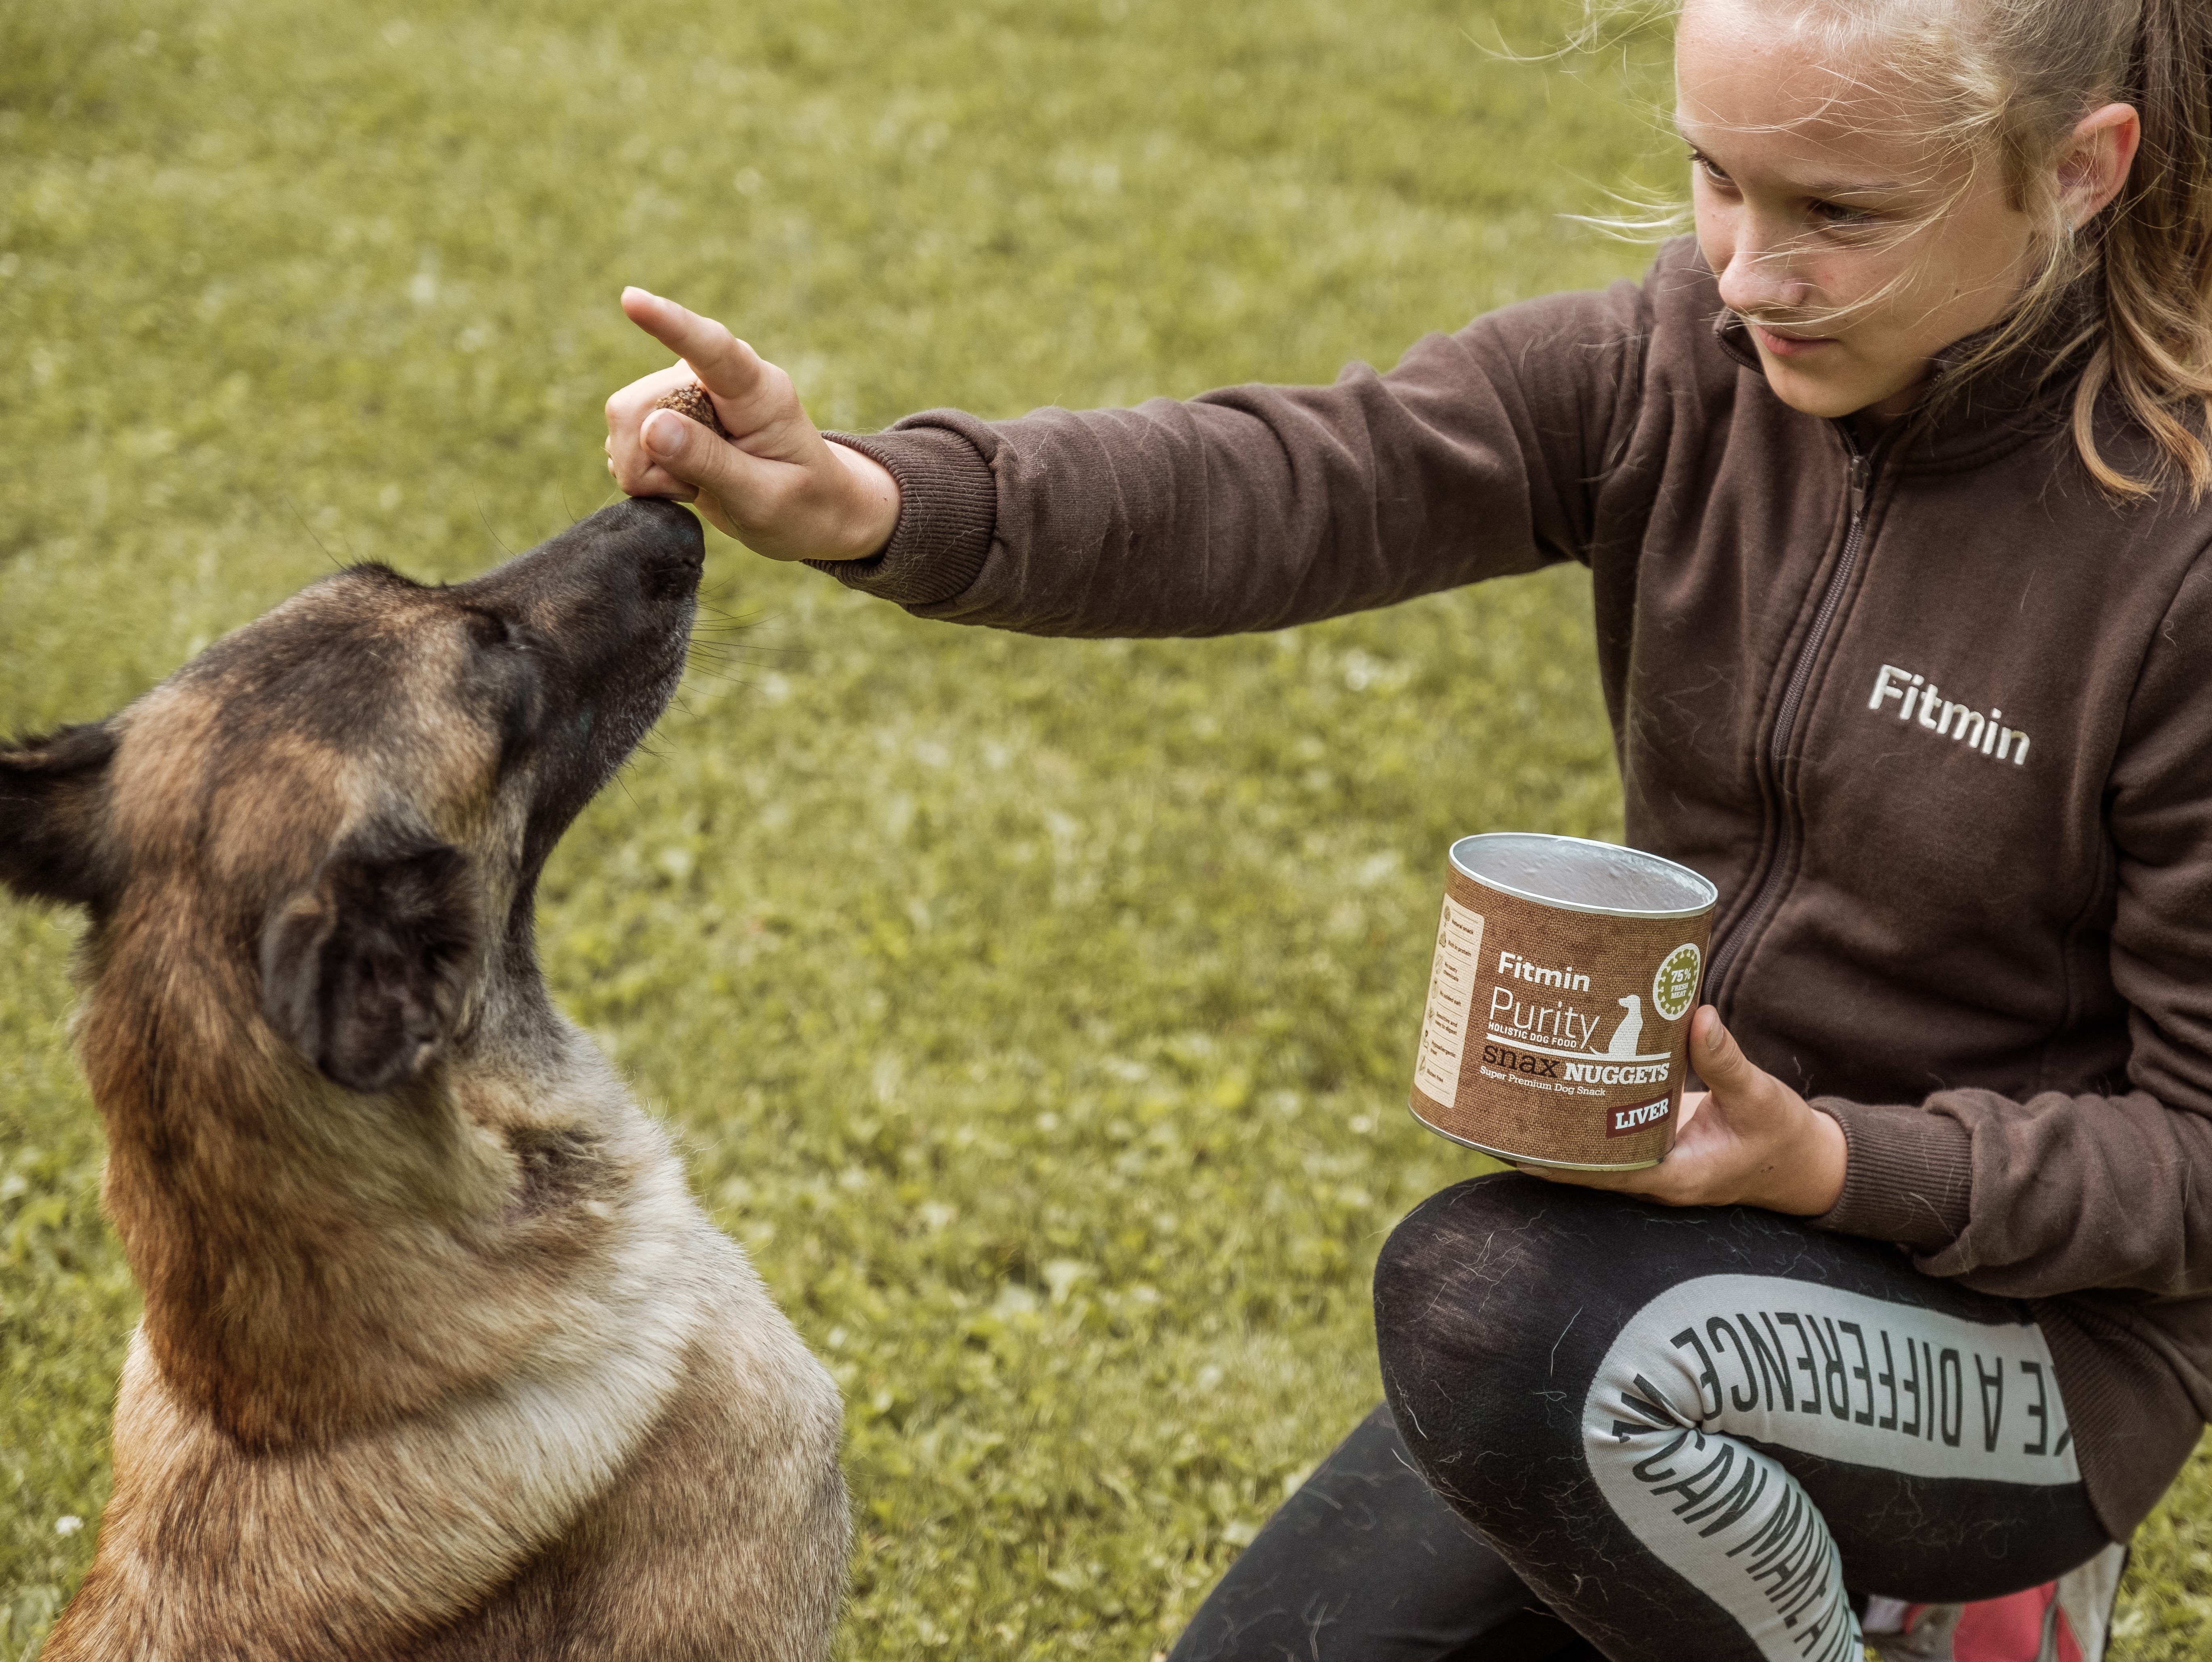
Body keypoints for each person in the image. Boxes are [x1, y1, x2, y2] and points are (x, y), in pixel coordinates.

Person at [603, 0, 2212, 1656]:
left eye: (1838, 214)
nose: (1743, 272)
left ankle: (1968, 1613)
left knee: (1493, 1312)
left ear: (2081, 172)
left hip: (2028, 1346)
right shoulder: (1687, 367)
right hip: (1666, 1274)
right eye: (1714, 181)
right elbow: (1313, 473)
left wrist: (1833, 1159)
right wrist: (872, 500)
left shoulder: (2179, 559)